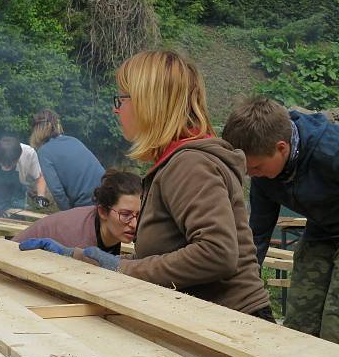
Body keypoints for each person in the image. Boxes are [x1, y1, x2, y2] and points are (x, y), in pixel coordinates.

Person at [22, 50, 272, 318]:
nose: (116, 109)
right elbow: (171, 255)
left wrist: (121, 268)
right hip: (217, 321)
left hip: (235, 326)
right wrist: (82, 257)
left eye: (122, 99)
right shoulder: (180, 161)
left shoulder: (189, 163)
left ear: (148, 103)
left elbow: (216, 253)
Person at [223, 97, 339, 341]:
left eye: (255, 168)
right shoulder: (264, 176)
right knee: (299, 323)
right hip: (322, 229)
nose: (252, 175)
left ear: (282, 148)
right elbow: (257, 236)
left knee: (334, 327)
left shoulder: (330, 151)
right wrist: (241, 289)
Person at [14, 169, 141, 255]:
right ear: (103, 211)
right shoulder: (79, 241)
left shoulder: (109, 227)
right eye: (125, 215)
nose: (134, 224)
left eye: (139, 215)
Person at [29, 109, 105, 210]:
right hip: (108, 193)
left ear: (36, 131)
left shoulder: (44, 152)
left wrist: (67, 213)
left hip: (87, 203)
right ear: (57, 125)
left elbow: (57, 190)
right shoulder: (74, 140)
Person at [0, 136, 49, 217]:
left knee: (18, 224)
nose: (6, 168)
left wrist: (41, 196)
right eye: (4, 164)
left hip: (17, 197)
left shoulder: (29, 154)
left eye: (10, 165)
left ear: (19, 157)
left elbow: (40, 177)